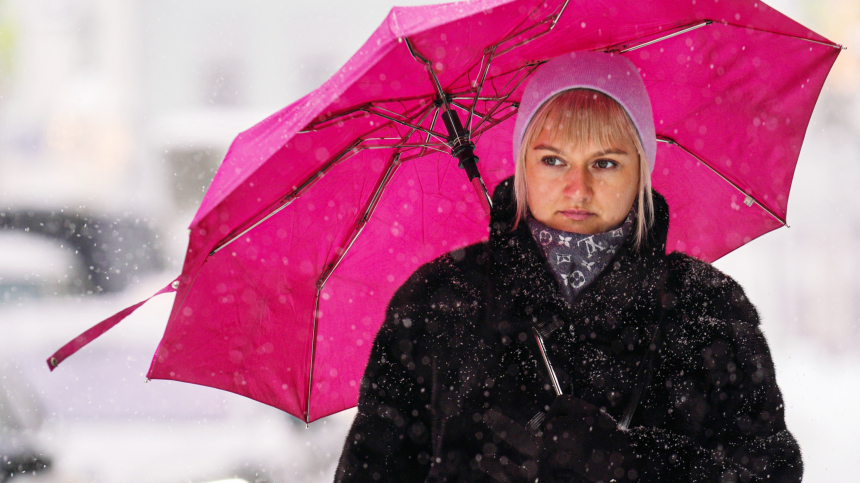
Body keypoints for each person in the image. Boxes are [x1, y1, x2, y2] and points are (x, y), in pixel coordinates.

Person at [335, 52, 802, 482]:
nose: (578, 188)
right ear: (523, 165)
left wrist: (628, 463)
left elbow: (769, 473)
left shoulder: (705, 306)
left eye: (605, 163)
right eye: (553, 160)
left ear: (641, 169)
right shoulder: (439, 301)